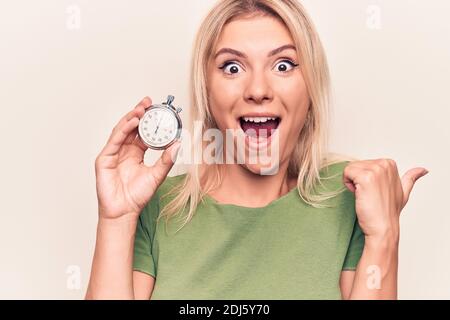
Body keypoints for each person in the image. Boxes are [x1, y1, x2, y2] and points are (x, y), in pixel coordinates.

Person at [85, 0, 428, 300]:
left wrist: (384, 234)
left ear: (310, 88)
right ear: (207, 92)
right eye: (232, 67)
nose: (258, 89)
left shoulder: (350, 196)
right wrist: (117, 219)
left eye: (283, 65)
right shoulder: (158, 205)